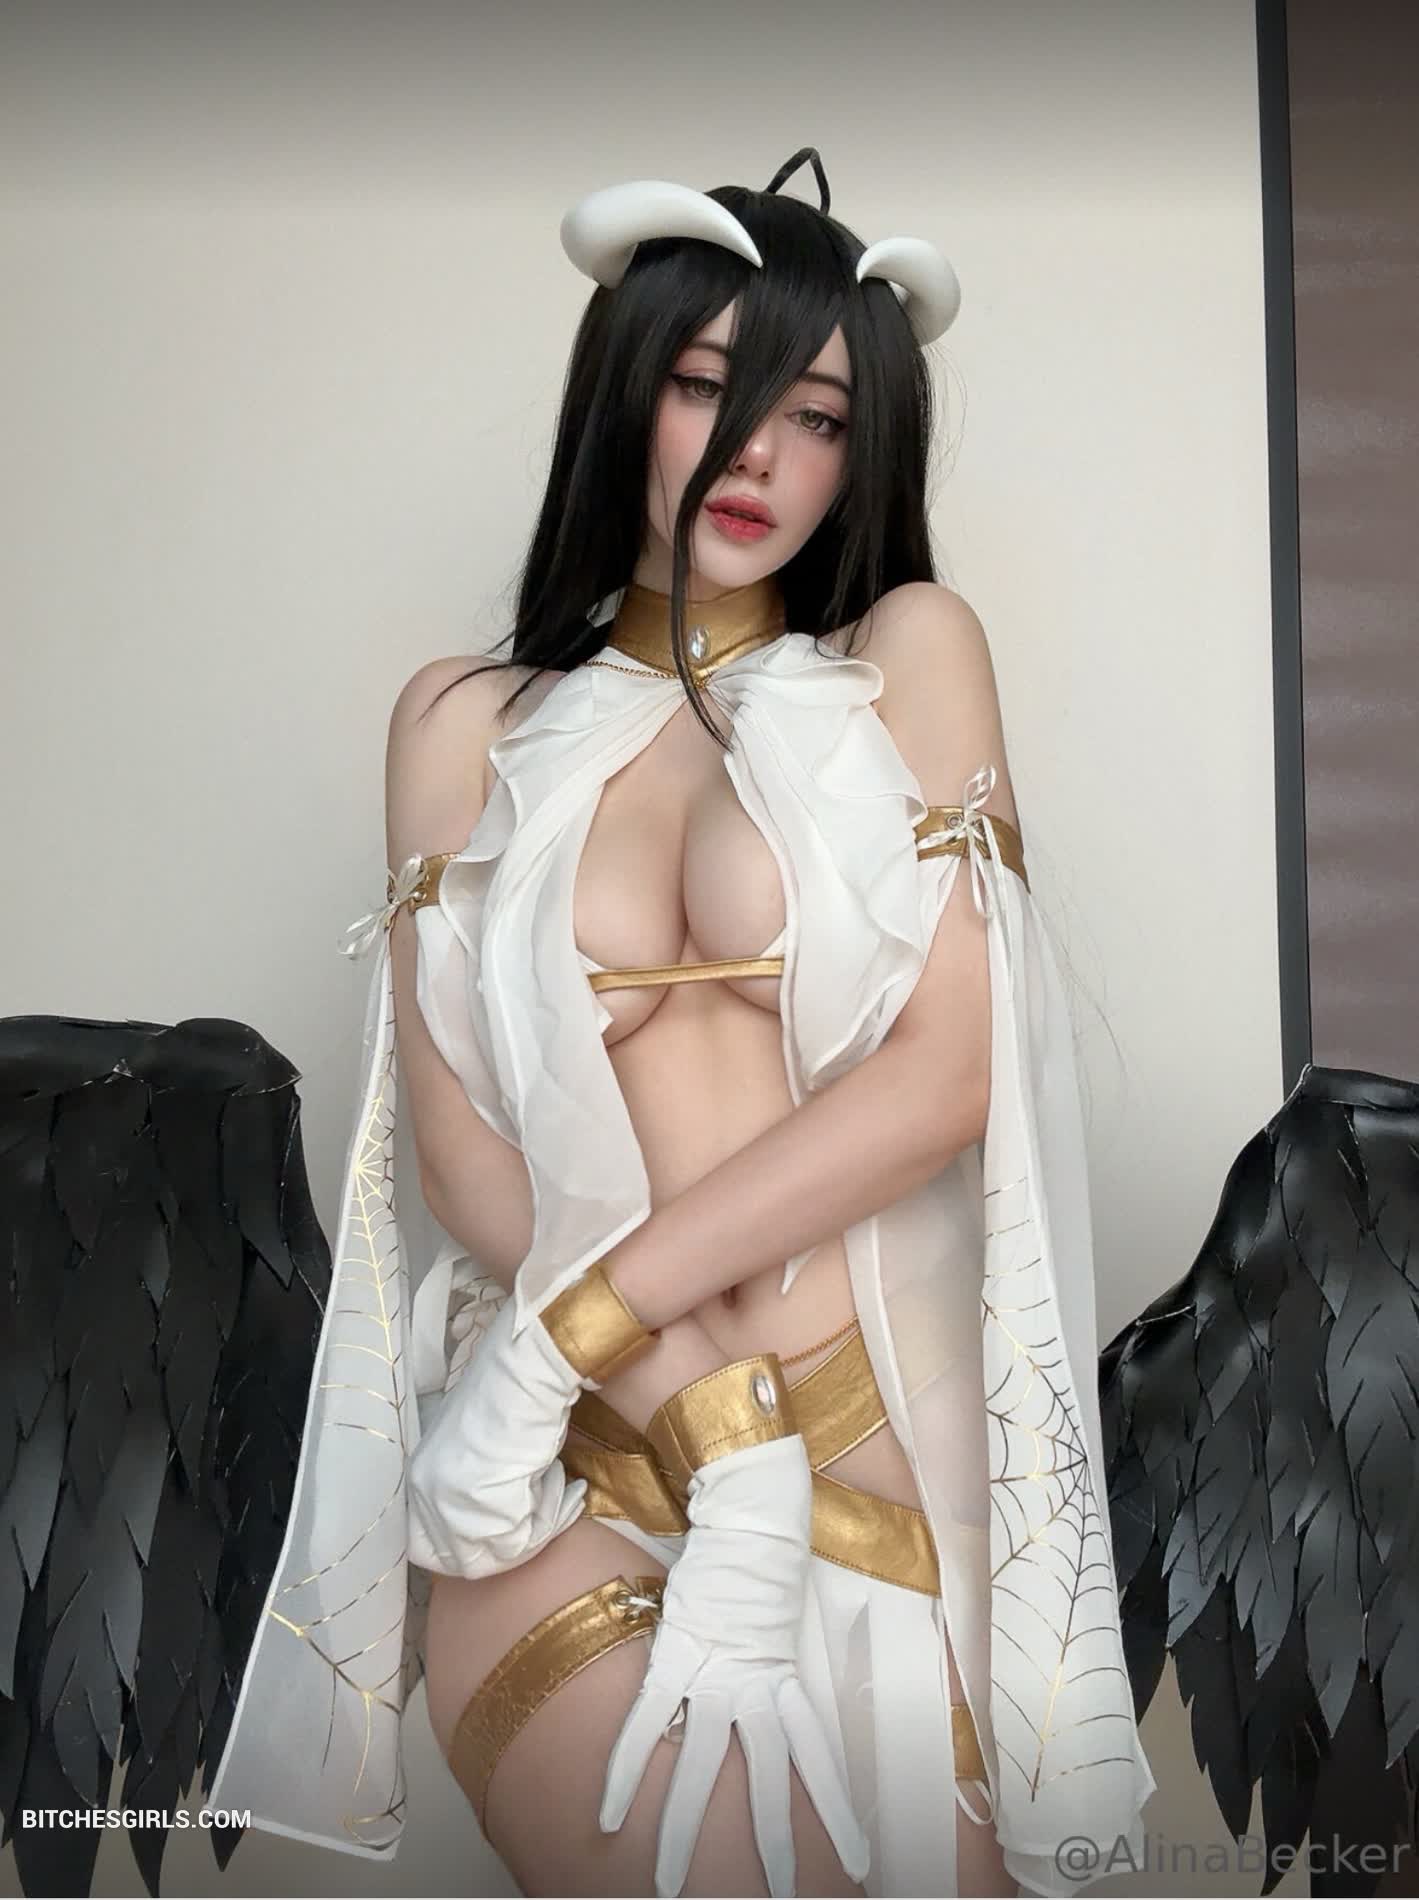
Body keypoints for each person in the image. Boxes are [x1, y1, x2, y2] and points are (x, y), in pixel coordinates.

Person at [207, 149, 1155, 1898]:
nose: (763, 458)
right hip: (569, 1453)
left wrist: (601, 1330)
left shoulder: (912, 657)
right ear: (626, 388)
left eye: (820, 418)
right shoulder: (459, 719)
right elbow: (459, 1146)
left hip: (878, 1446)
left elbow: (945, 1075)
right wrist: (685, 1416)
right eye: (713, 388)